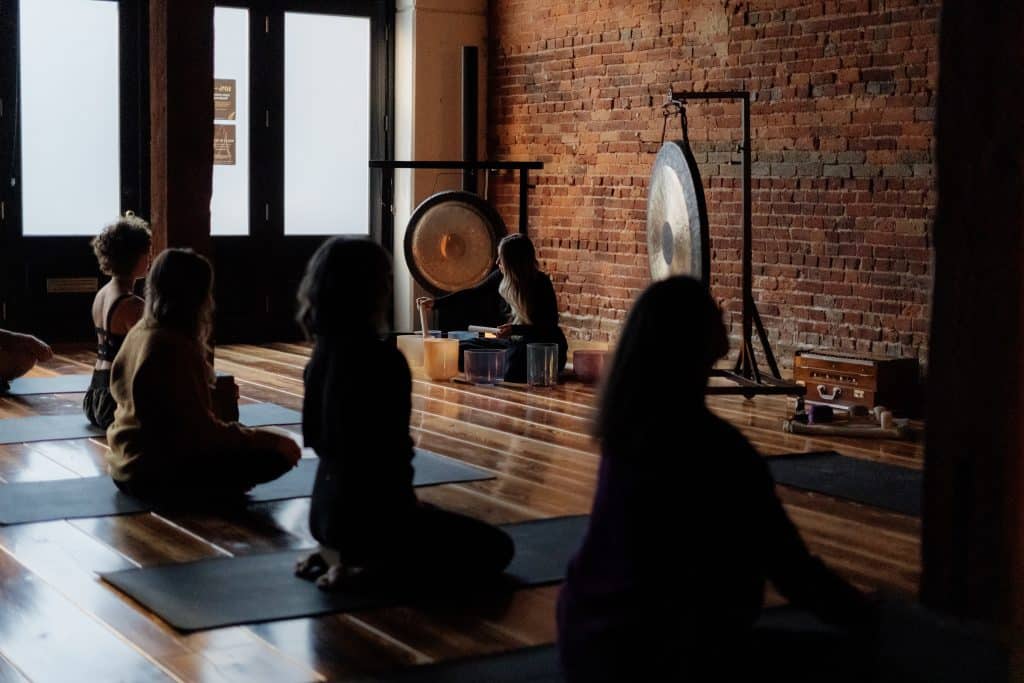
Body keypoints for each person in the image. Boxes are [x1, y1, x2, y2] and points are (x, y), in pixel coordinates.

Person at [556, 276, 877, 682]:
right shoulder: (720, 451)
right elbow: (791, 570)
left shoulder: (626, 431)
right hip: (660, 659)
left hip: (586, 643)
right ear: (708, 341)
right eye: (714, 310)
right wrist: (866, 615)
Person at [294, 236, 514, 590]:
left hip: (324, 513)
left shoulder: (319, 360)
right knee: (497, 547)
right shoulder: (383, 360)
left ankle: (338, 554)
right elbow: (391, 456)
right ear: (374, 292)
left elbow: (318, 442)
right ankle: (371, 567)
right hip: (374, 519)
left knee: (433, 523)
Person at [105, 248, 300, 502]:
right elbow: (200, 433)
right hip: (153, 473)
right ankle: (207, 489)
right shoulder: (170, 344)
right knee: (277, 455)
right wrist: (264, 439)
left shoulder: (141, 331)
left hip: (123, 466)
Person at [417, 233, 568, 382]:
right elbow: (473, 293)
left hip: (541, 346)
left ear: (513, 261)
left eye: (500, 258)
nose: (497, 263)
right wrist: (436, 303)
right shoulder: (501, 277)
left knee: (513, 364)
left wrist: (515, 330)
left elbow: (548, 328)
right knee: (460, 349)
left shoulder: (541, 284)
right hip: (514, 343)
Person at [83, 213, 152, 428]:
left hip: (93, 396)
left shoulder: (102, 294)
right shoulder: (132, 305)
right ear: (132, 256)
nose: (149, 258)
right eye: (146, 252)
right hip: (114, 403)